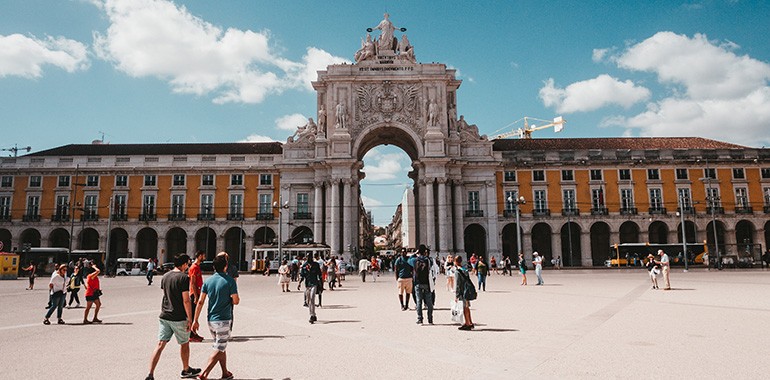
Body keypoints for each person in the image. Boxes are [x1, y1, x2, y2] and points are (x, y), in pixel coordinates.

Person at [145, 254, 201, 380]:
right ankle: (186, 370)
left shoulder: (165, 276)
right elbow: (186, 300)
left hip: (165, 315)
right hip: (179, 317)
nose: (187, 266)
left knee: (160, 344)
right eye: (187, 263)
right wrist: (190, 319)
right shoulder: (183, 278)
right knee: (184, 343)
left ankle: (150, 374)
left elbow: (166, 295)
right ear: (183, 264)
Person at [193, 253, 239, 380]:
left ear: (214, 267)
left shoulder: (208, 281)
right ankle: (204, 373)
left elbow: (201, 302)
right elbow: (236, 301)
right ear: (225, 267)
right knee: (219, 347)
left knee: (221, 346)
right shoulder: (230, 281)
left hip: (211, 320)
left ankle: (225, 372)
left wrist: (195, 320)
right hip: (223, 319)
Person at [412, 246, 433, 325]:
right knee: (429, 302)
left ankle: (420, 319)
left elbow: (410, 260)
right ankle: (430, 320)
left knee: (419, 301)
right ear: (425, 252)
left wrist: (415, 253)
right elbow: (431, 269)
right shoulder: (428, 260)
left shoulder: (414, 260)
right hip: (427, 283)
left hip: (418, 283)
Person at [188, 251, 206, 343]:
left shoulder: (197, 267)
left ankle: (194, 333)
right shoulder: (194, 267)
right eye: (203, 255)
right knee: (192, 315)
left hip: (197, 292)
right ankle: (190, 335)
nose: (204, 257)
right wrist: (195, 296)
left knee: (195, 314)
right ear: (199, 256)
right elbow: (193, 283)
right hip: (194, 293)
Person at [454, 256, 474, 330]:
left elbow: (458, 284)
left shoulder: (457, 271)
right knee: (467, 307)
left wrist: (457, 295)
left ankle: (467, 324)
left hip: (462, 292)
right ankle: (470, 322)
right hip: (467, 290)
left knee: (464, 308)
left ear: (455, 262)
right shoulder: (465, 269)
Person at [300, 254, 322, 324]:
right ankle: (313, 314)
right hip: (307, 285)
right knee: (309, 300)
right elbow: (302, 275)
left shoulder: (316, 265)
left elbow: (319, 275)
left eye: (310, 257)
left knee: (312, 298)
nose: (309, 258)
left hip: (314, 283)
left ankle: (311, 315)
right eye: (307, 257)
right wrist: (299, 283)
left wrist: (321, 284)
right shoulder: (304, 266)